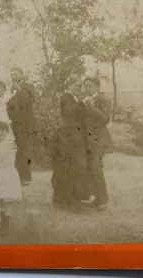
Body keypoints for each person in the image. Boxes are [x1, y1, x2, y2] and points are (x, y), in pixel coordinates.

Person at [50, 76, 92, 210]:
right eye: (75, 86)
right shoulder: (66, 98)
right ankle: (69, 200)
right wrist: (82, 104)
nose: (78, 88)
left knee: (76, 166)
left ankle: (70, 198)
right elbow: (69, 112)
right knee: (70, 167)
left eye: (79, 86)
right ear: (68, 87)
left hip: (77, 136)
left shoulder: (76, 99)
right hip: (67, 137)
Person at [81, 77, 112, 211]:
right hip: (87, 140)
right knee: (89, 168)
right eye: (85, 86)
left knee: (96, 167)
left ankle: (103, 200)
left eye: (90, 86)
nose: (87, 88)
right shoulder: (85, 101)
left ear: (97, 87)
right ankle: (97, 198)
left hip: (99, 140)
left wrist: (91, 107)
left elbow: (105, 119)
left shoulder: (103, 100)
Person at [0, 120, 22, 235]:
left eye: (3, 131)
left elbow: (10, 161)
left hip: (7, 174)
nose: (0, 134)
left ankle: (6, 225)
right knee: (0, 199)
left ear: (7, 132)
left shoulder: (10, 144)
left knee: (7, 200)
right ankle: (2, 221)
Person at [6, 67, 36, 186]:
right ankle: (17, 176)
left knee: (24, 149)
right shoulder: (12, 87)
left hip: (25, 123)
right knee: (16, 149)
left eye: (16, 74)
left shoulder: (28, 86)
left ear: (22, 74)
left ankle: (26, 177)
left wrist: (19, 90)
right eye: (12, 74)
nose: (13, 76)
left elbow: (31, 100)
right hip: (15, 123)